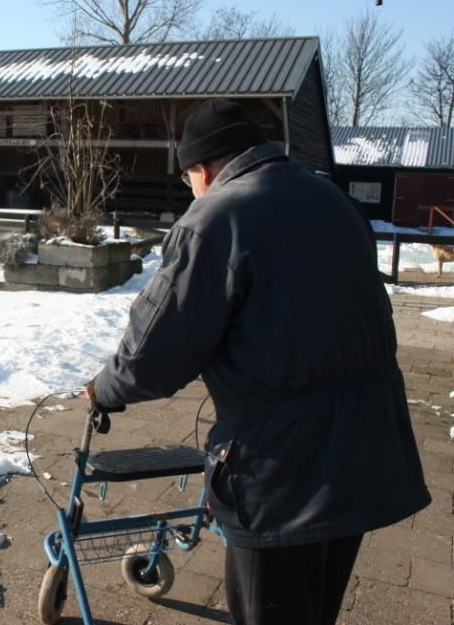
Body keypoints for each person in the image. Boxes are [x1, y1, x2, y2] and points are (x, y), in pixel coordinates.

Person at [86, 99, 431, 625]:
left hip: (283, 472)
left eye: (188, 180)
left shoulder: (218, 217)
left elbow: (155, 355)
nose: (191, 192)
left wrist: (103, 390)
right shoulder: (330, 198)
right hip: (368, 449)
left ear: (201, 168)